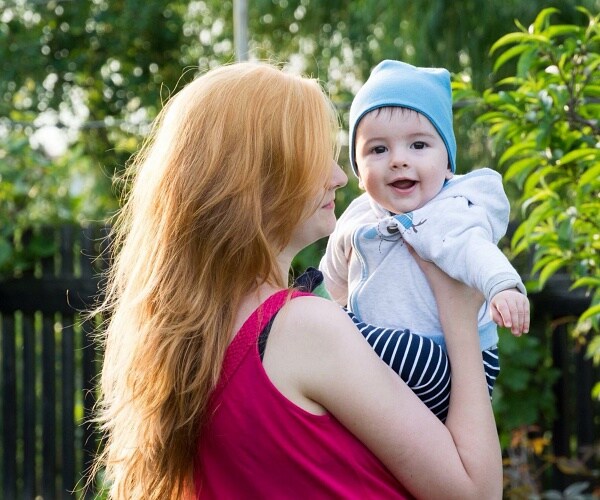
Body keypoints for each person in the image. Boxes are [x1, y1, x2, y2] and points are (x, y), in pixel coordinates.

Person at [92, 61, 502, 499]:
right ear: (258, 178)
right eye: (314, 158)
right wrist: (458, 314)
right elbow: (475, 494)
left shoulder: (192, 335)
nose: (340, 177)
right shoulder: (303, 329)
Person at [320, 60, 530, 418]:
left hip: (451, 359)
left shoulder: (450, 210)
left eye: (418, 145)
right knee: (329, 330)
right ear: (357, 169)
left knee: (357, 343)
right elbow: (333, 277)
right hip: (393, 359)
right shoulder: (357, 216)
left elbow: (477, 251)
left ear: (448, 163)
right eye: (378, 150)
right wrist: (328, 309)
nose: (399, 160)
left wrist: (503, 287)